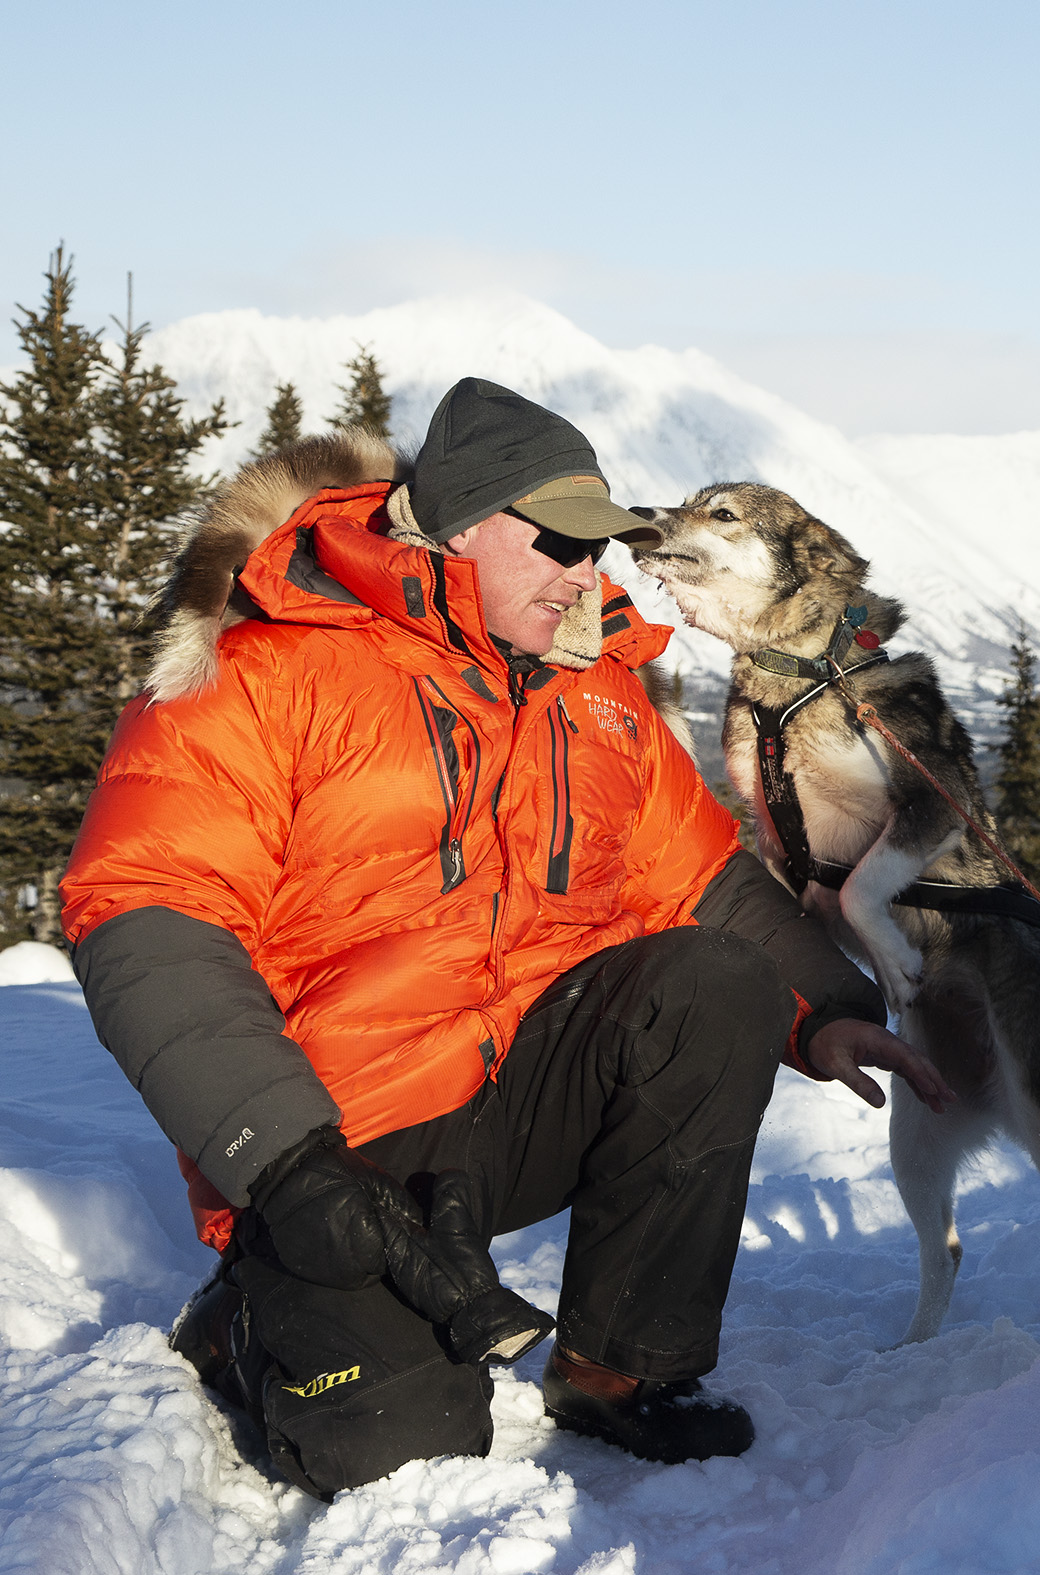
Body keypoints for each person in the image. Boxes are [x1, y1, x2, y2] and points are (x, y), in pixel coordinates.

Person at [61, 378, 951, 1498]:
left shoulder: (598, 691)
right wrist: (279, 1162)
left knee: (713, 982)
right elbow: (146, 914)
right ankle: (244, 1322)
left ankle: (619, 1371)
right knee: (392, 1449)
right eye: (561, 544)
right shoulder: (268, 670)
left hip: (520, 1097)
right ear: (460, 526)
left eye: (601, 548)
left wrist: (827, 1010)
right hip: (341, 1141)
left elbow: (701, 888)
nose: (590, 573)